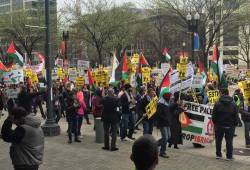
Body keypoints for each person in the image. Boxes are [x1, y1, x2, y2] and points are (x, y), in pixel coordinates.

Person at [212, 88, 238, 160]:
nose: (219, 94)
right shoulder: (233, 104)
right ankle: (229, 156)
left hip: (219, 125)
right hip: (230, 126)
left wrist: (215, 123)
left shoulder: (217, 103)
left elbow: (214, 115)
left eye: (220, 93)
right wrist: (235, 124)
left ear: (222, 93)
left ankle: (218, 155)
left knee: (218, 140)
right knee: (229, 141)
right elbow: (236, 115)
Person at [156, 92, 172, 158]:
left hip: (167, 123)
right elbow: (158, 114)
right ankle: (162, 152)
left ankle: (154, 144)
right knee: (165, 137)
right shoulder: (161, 104)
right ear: (167, 97)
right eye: (170, 97)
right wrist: (165, 118)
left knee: (168, 136)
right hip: (162, 123)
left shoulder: (167, 103)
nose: (171, 98)